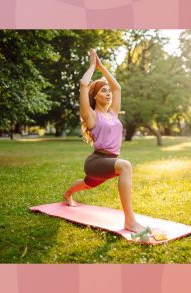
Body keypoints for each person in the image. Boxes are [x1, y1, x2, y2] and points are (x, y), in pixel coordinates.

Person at [62, 49, 145, 233]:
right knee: (125, 166)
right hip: (97, 161)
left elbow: (118, 88)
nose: (108, 94)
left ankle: (67, 194)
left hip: (108, 161)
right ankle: (130, 221)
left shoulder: (113, 113)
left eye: (108, 91)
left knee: (87, 184)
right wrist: (92, 66)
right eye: (103, 91)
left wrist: (101, 66)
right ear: (95, 96)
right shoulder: (90, 115)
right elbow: (84, 84)